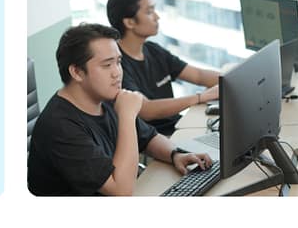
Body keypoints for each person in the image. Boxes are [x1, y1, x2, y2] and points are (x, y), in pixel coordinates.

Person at [28, 23, 213, 196]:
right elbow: (121, 191)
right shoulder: (60, 126)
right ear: (76, 72)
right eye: (107, 65)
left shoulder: (103, 95)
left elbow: (148, 138)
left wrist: (176, 154)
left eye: (118, 62)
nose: (117, 72)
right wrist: (127, 115)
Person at [107, 0, 220, 136]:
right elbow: (147, 109)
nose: (157, 17)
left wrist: (233, 80)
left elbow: (198, 76)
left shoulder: (153, 50)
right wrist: (200, 97)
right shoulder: (117, 65)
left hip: (178, 126)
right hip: (156, 140)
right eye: (149, 11)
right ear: (129, 22)